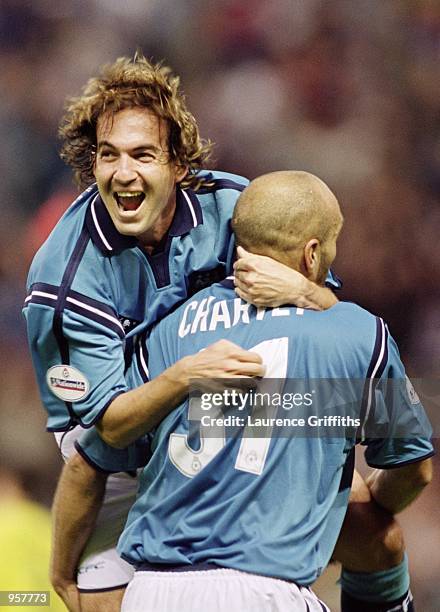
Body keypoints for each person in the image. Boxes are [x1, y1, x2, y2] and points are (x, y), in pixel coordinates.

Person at [23, 55, 333, 611]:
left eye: (143, 154)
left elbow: (335, 316)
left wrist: (307, 292)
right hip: (120, 456)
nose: (123, 172)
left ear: (179, 165)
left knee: (368, 522)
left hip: (220, 418)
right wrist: (186, 374)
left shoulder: (238, 210)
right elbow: (103, 435)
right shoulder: (60, 280)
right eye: (107, 155)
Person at [62, 171, 433, 611]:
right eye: (333, 242)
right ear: (312, 254)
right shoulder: (359, 336)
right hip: (266, 591)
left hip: (153, 590)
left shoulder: (166, 332)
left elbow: (96, 457)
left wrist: (63, 571)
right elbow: (414, 469)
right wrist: (360, 506)